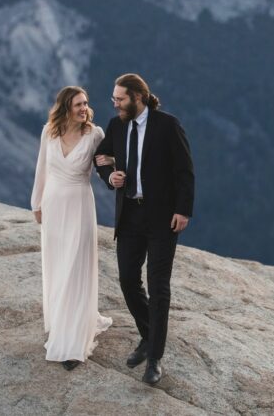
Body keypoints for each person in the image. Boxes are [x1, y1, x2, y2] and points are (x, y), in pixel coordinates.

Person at [93, 73, 194, 385]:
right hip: (130, 217)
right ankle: (150, 336)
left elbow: (185, 171)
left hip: (163, 218)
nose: (115, 103)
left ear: (138, 97)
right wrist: (110, 176)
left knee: (158, 286)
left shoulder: (168, 125)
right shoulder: (117, 124)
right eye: (115, 99)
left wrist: (183, 210)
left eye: (120, 99)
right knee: (127, 280)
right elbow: (101, 157)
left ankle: (154, 358)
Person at [30, 86, 112, 371]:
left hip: (79, 206)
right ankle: (61, 321)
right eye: (78, 104)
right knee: (57, 265)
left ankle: (73, 342)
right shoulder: (48, 132)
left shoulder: (95, 134)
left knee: (76, 266)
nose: (83, 108)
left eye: (86, 103)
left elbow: (108, 161)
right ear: (65, 107)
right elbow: (42, 169)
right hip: (53, 206)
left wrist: (112, 166)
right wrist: (36, 204)